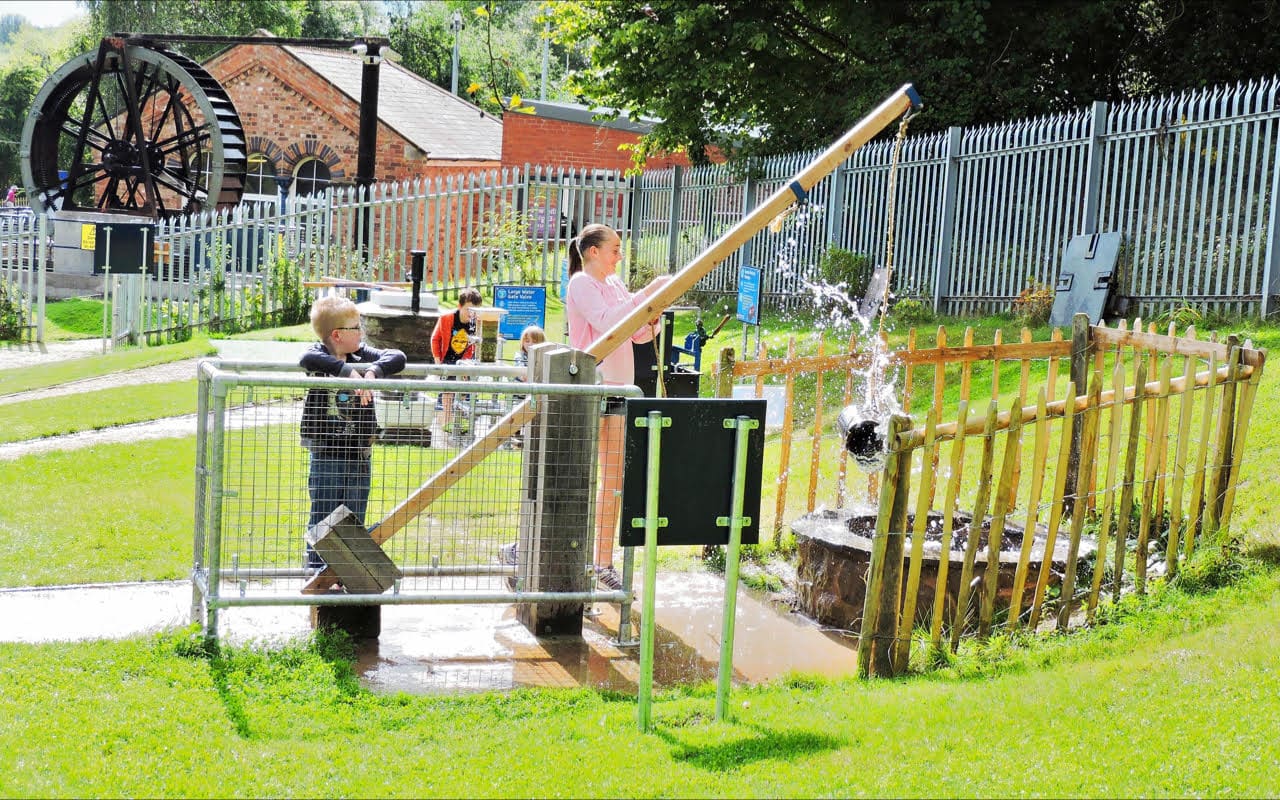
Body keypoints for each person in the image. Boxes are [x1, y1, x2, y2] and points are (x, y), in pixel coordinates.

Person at [564, 223, 671, 590]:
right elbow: (610, 323)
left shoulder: (614, 284)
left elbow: (637, 332)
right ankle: (534, 547)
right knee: (577, 477)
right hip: (592, 388)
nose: (620, 255)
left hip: (620, 389)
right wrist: (646, 295)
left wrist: (653, 316)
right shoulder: (581, 283)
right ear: (593, 251)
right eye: (615, 249)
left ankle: (602, 561)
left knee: (613, 480)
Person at [299, 294, 406, 569]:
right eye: (356, 327)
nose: (362, 332)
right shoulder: (320, 355)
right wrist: (348, 372)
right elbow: (307, 358)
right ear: (337, 335)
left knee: (353, 517)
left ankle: (346, 574)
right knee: (324, 514)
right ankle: (316, 570)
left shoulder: (364, 355)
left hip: (358, 454)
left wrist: (371, 372)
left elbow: (398, 356)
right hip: (327, 454)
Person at [430, 288, 483, 436]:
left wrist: (467, 365)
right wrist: (437, 361)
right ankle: (447, 422)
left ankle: (461, 422)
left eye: (475, 310)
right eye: (468, 309)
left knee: (464, 392)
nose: (471, 313)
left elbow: (475, 344)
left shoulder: (475, 323)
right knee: (448, 392)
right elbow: (435, 338)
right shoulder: (446, 318)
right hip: (448, 359)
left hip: (465, 361)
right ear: (460, 306)